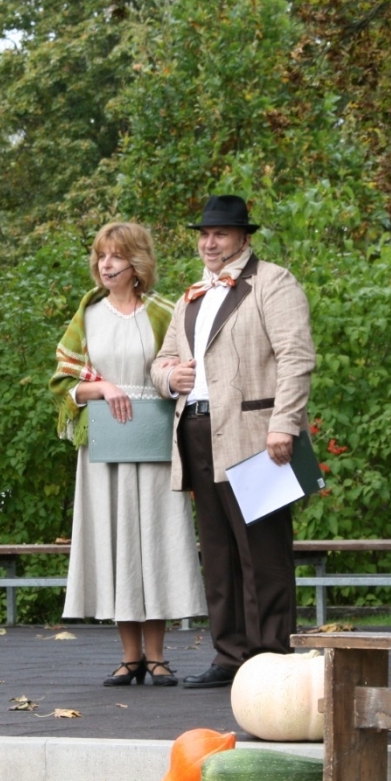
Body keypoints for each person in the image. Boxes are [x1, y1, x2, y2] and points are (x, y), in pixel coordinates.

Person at [151, 195, 315, 688]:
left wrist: (284, 423)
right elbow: (162, 360)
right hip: (196, 430)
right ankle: (229, 655)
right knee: (218, 552)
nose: (209, 242)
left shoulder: (274, 282)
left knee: (262, 553)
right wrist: (169, 377)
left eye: (220, 234)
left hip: (255, 435)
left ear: (244, 238)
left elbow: (297, 357)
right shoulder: (191, 295)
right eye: (203, 234)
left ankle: (269, 658)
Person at [51, 222, 207, 687]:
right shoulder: (88, 315)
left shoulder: (164, 312)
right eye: (101, 256)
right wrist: (100, 386)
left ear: (136, 263)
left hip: (155, 438)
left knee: (153, 542)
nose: (106, 265)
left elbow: (182, 369)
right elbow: (62, 384)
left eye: (116, 256)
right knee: (116, 541)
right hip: (105, 446)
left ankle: (158, 657)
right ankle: (129, 656)